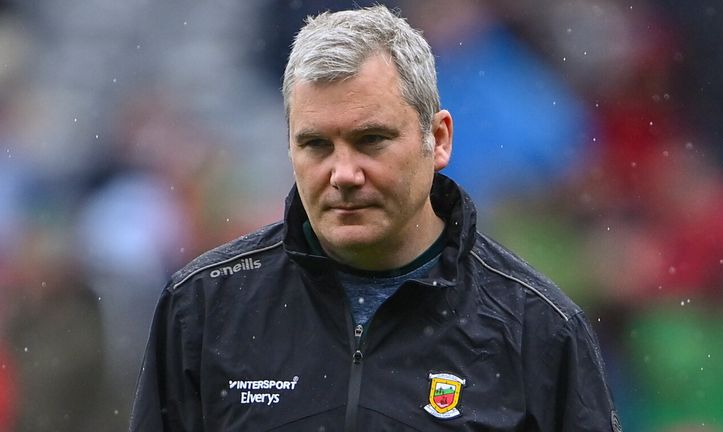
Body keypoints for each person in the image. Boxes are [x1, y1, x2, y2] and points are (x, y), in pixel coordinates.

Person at [129, 5, 621, 431]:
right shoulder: (204, 307)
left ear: (439, 139)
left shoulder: (537, 328)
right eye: (316, 144)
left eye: (371, 140)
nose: (343, 173)